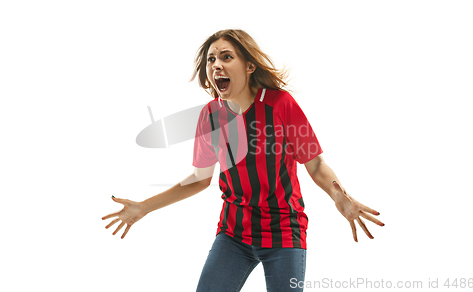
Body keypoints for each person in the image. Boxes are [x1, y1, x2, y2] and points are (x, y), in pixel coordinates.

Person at [102, 29, 384, 292]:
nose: (216, 65)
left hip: (284, 232)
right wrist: (144, 207)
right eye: (211, 59)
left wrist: (340, 196)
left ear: (249, 66)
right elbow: (199, 179)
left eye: (226, 57)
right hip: (233, 233)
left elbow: (315, 163)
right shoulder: (211, 116)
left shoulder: (280, 104)